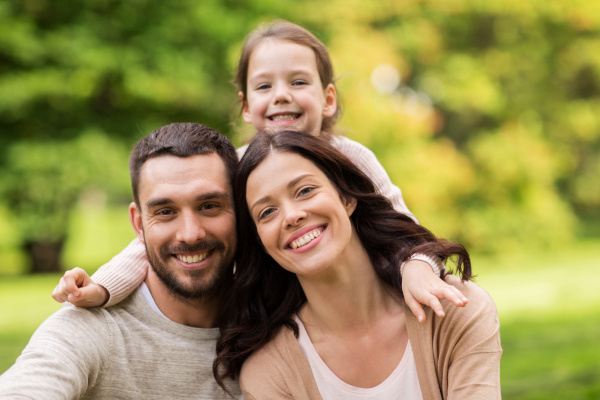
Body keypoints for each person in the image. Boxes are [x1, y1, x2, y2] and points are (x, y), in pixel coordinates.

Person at [52, 20, 467, 321]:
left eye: (298, 82)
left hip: (362, 306)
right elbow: (156, 237)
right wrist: (104, 287)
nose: (282, 95)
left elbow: (404, 228)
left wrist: (418, 267)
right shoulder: (236, 167)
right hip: (279, 311)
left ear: (327, 99)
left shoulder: (351, 157)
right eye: (265, 86)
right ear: (247, 106)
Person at [214, 130, 502, 399]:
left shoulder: (453, 311)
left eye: (304, 191)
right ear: (261, 241)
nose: (291, 215)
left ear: (347, 197)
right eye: (267, 212)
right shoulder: (270, 373)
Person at [0, 123, 241, 399]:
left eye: (209, 206)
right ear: (138, 224)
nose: (190, 234)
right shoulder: (91, 329)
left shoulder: (276, 319)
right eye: (165, 211)